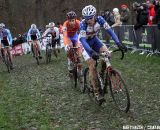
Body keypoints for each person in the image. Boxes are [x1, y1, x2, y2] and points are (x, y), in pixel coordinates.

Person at [79, 5, 127, 102]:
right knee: (92, 65)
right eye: (87, 19)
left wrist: (118, 43)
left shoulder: (100, 19)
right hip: (85, 45)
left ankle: (101, 73)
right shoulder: (83, 24)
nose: (89, 21)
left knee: (108, 54)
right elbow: (83, 41)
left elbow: (110, 32)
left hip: (95, 40)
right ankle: (97, 93)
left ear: (95, 16)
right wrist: (91, 52)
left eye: (90, 18)